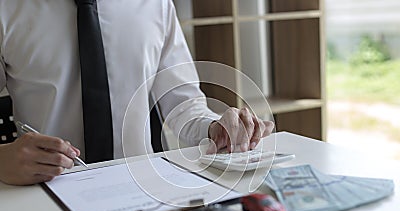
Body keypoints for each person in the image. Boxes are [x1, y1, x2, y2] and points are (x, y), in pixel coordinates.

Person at [0, 0, 274, 186]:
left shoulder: (156, 4)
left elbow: (185, 106)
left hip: (142, 192)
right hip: (45, 195)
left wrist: (216, 128)